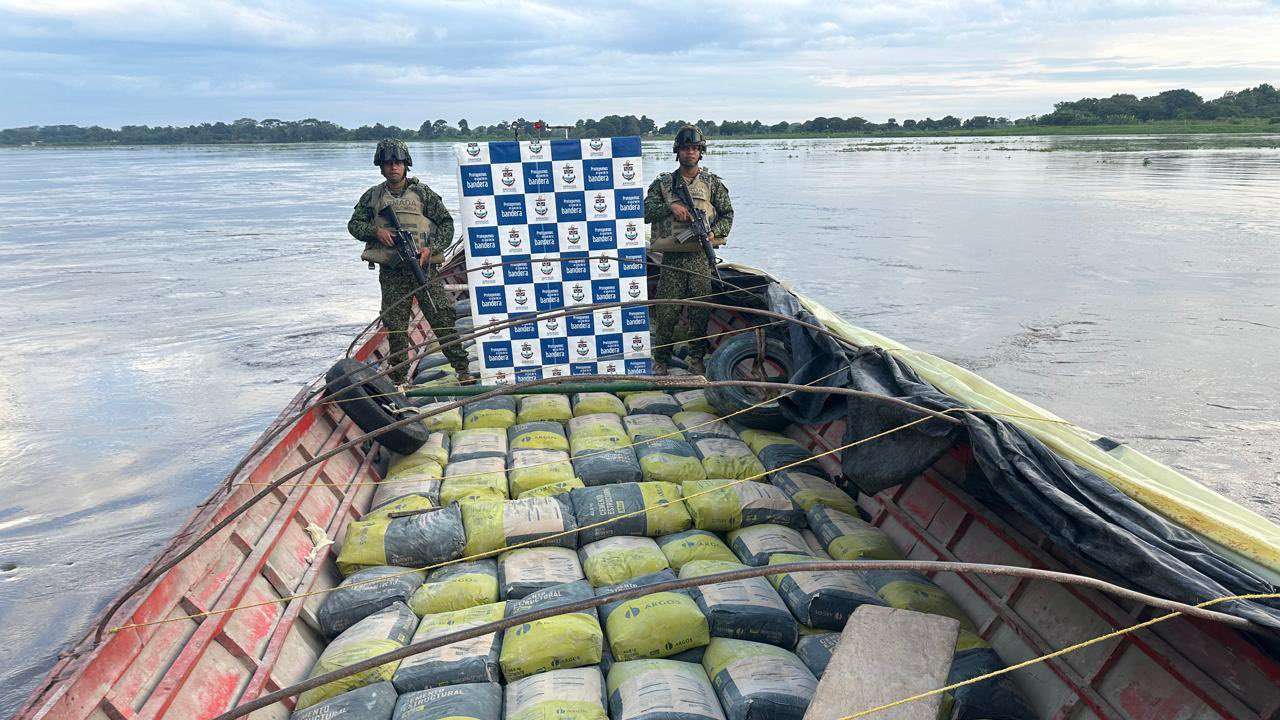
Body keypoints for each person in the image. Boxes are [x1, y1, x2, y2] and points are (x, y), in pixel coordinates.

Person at [347, 138, 471, 385]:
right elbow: (354, 225)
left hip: (425, 268)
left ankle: (462, 369)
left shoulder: (423, 193)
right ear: (380, 167)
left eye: (398, 163)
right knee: (395, 326)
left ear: (406, 165)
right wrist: (376, 232)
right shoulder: (372, 196)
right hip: (393, 272)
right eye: (388, 163)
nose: (393, 167)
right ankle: (399, 379)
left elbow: (446, 224)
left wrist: (430, 249)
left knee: (441, 317)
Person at [643, 125, 733, 376]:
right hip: (671, 260)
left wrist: (715, 233)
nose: (690, 152)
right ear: (677, 152)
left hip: (700, 259)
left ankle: (696, 359)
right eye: (685, 148)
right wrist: (671, 207)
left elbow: (727, 214)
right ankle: (660, 359)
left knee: (699, 312)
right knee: (667, 312)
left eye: (694, 148)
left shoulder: (712, 183)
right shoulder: (663, 183)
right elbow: (646, 212)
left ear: (700, 152)